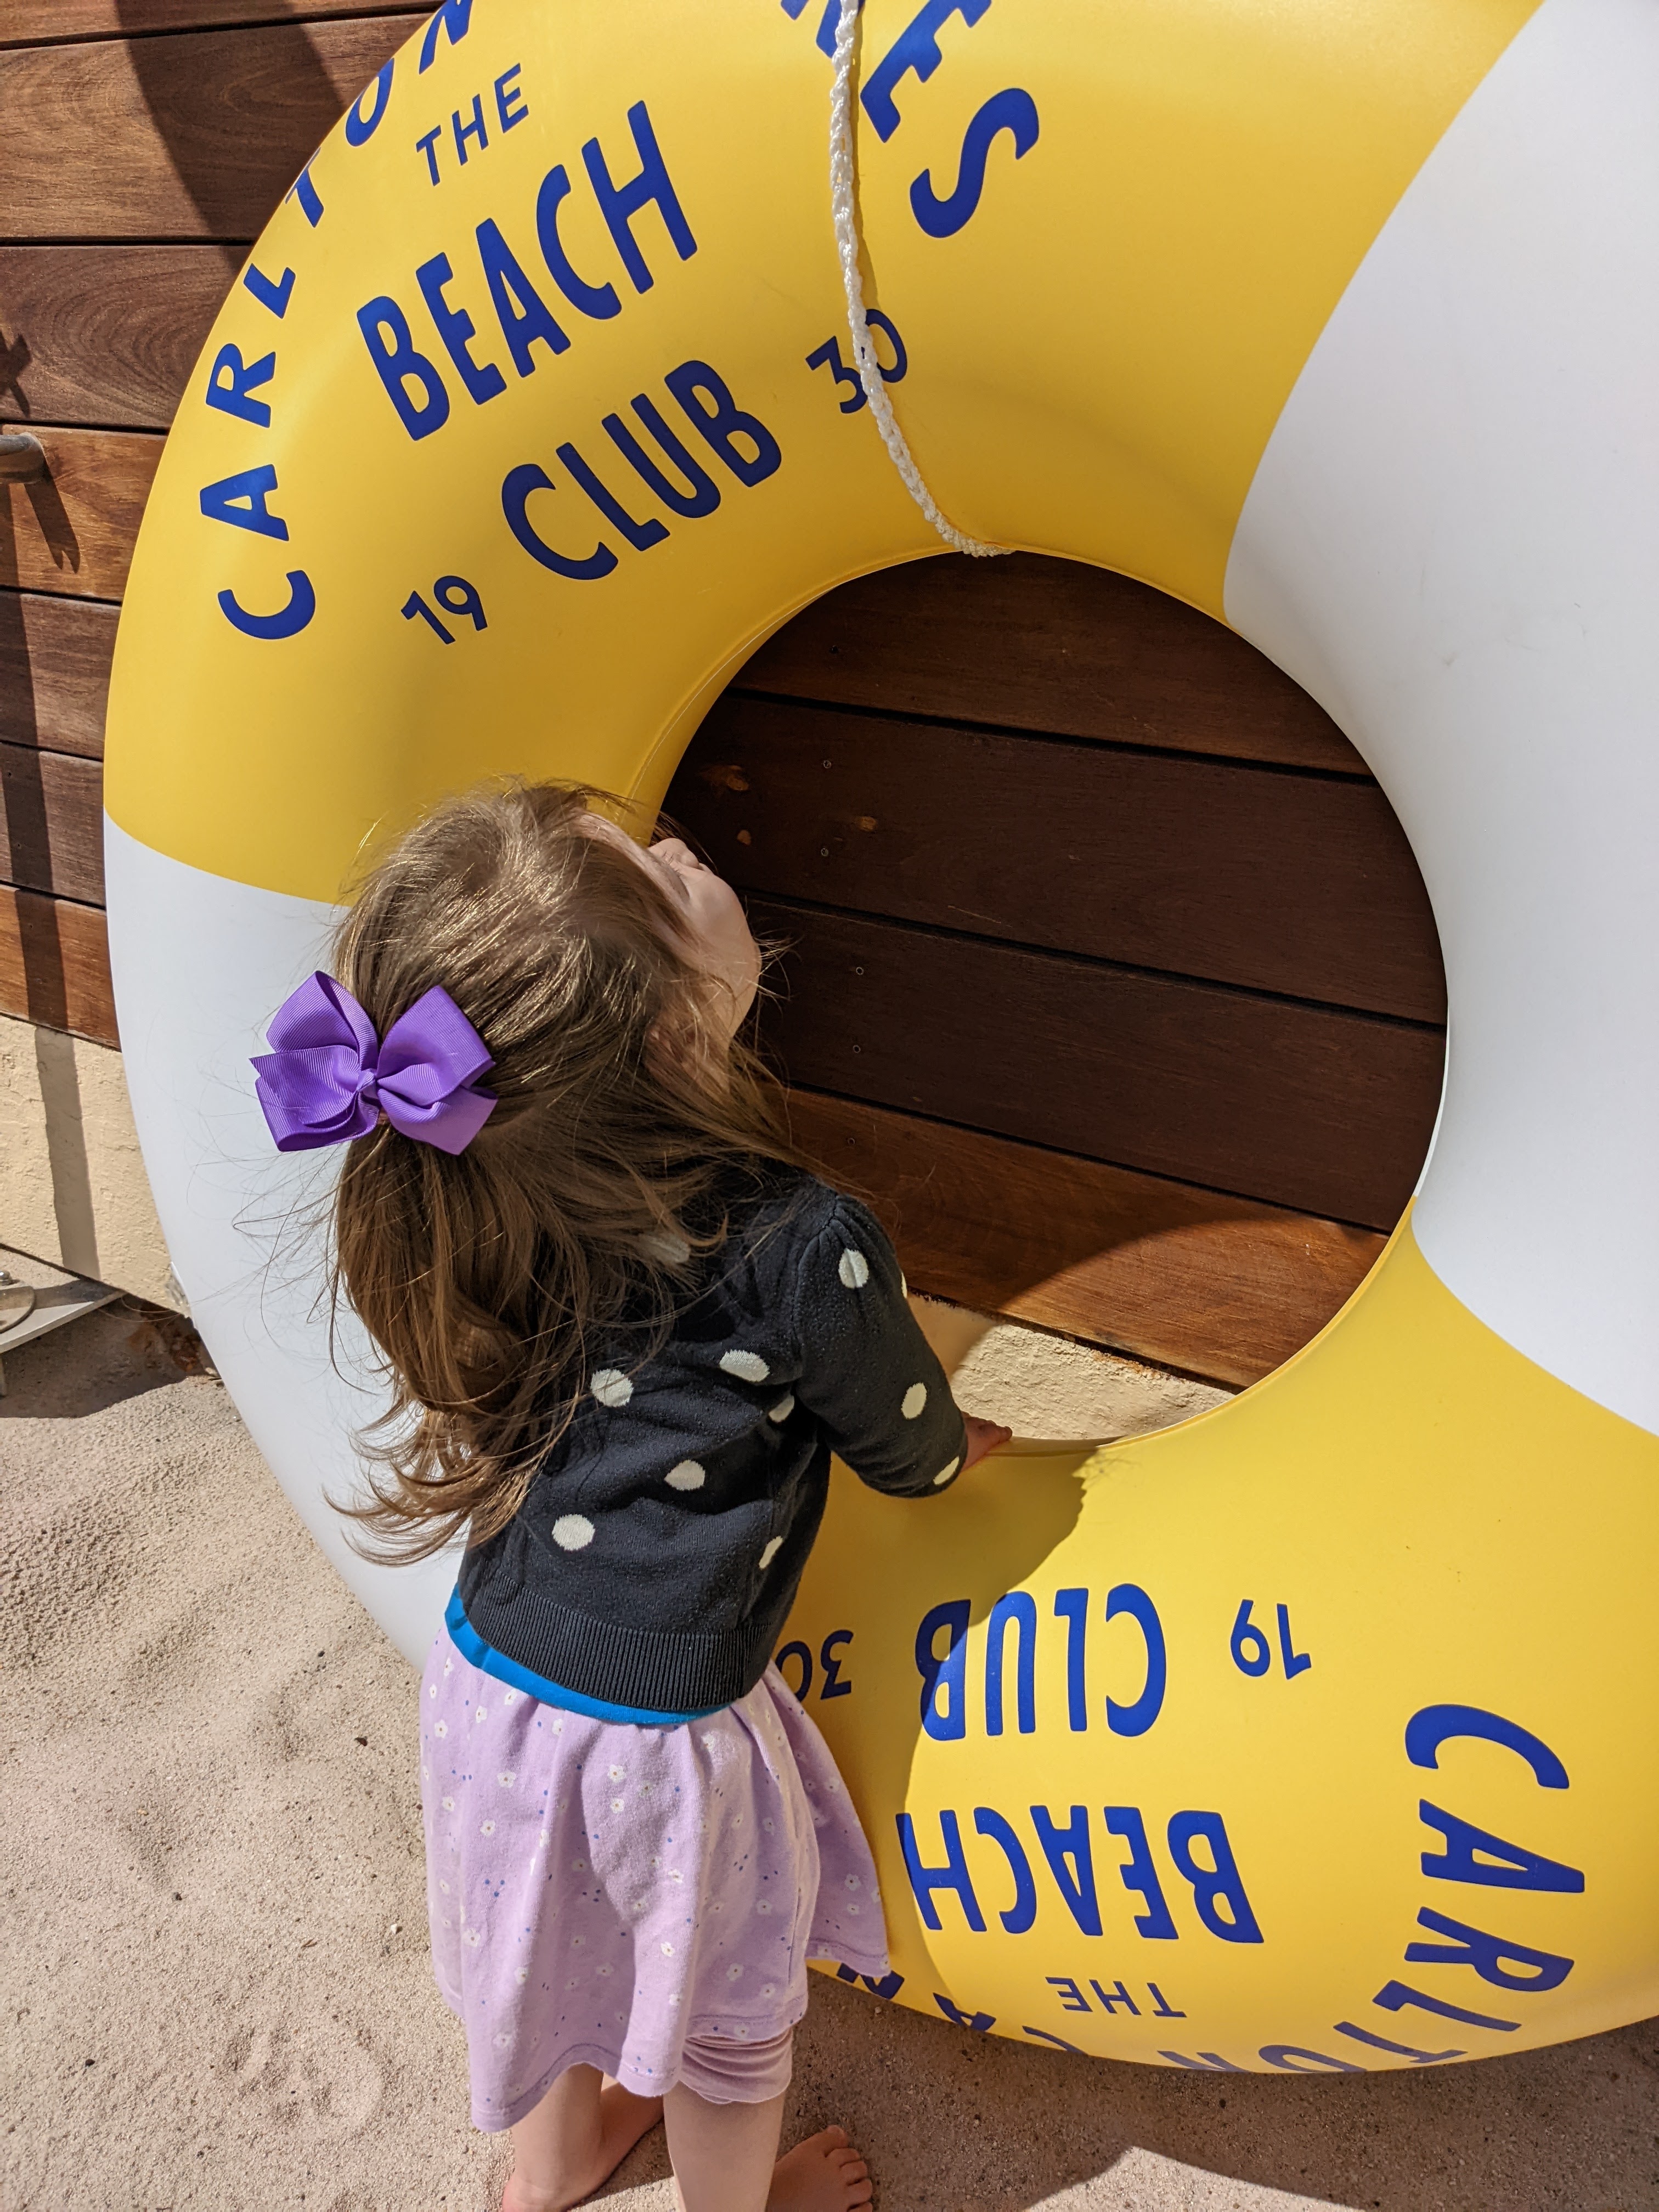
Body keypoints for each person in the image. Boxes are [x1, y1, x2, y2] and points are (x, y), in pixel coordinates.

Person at [250, 781, 1010, 2212]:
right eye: (660, 875)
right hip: (663, 1742)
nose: (675, 847)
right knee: (728, 2025)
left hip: (488, 1681)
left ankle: (547, 2170)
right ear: (674, 1033)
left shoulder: (501, 1190)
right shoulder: (808, 1245)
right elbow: (902, 1442)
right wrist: (957, 1445)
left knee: (539, 1960)